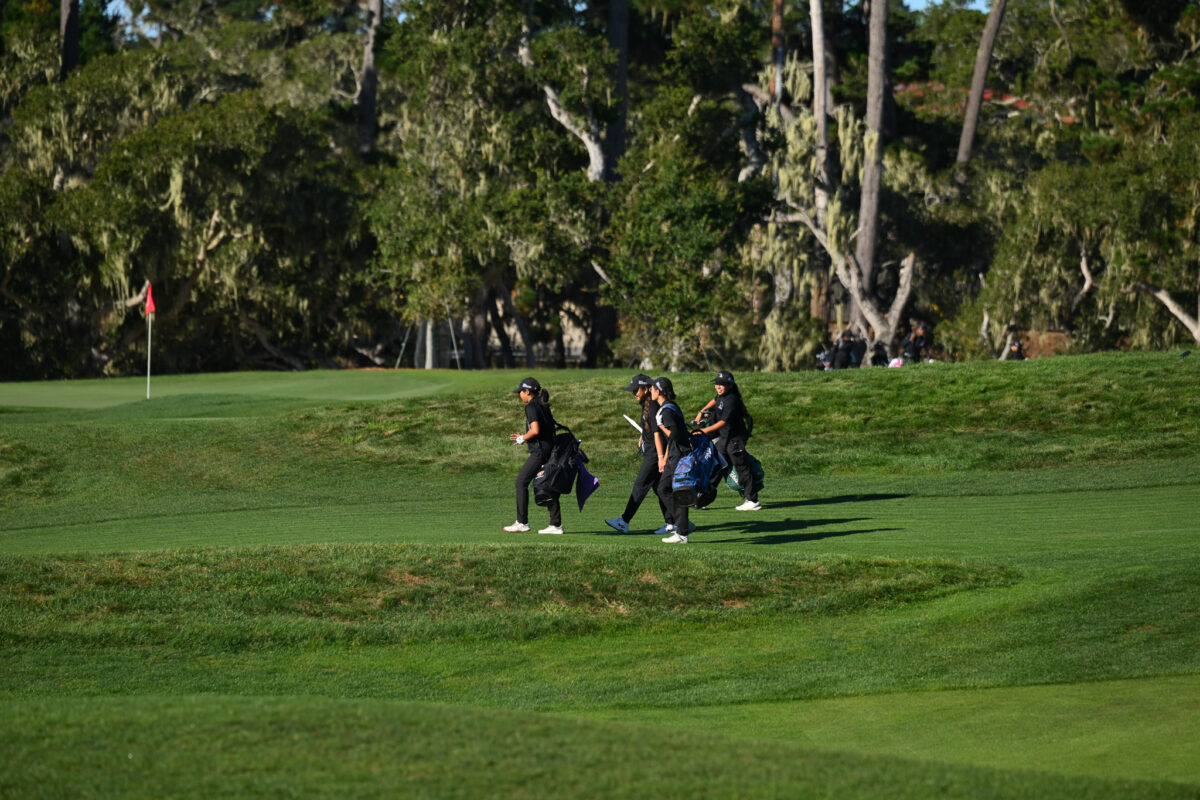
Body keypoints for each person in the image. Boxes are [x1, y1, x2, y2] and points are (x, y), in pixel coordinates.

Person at [605, 374, 673, 535]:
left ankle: (624, 521)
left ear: (646, 389)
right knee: (660, 489)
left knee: (640, 486)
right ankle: (674, 522)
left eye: (636, 390)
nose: (633, 393)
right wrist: (642, 436)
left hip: (655, 454)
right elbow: (649, 428)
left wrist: (660, 457)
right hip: (651, 452)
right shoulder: (646, 405)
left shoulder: (654, 407)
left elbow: (658, 434)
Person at [503, 377, 563, 535]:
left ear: (527, 391)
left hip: (540, 452)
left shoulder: (531, 406)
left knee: (521, 482)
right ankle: (556, 525)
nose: (520, 395)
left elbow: (535, 430)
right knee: (545, 484)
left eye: (521, 392)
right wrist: (525, 436)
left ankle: (522, 522)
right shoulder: (542, 404)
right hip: (549, 449)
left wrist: (523, 438)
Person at [694, 371, 761, 511]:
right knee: (717, 467)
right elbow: (715, 400)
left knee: (742, 467)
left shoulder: (732, 400)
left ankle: (753, 500)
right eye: (717, 384)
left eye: (722, 384)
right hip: (725, 438)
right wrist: (702, 411)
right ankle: (702, 499)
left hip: (735, 439)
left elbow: (723, 422)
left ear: (730, 385)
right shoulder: (721, 396)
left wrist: (704, 431)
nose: (718, 387)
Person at [650, 377, 695, 543]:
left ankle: (682, 532)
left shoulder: (666, 411)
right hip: (676, 455)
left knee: (672, 490)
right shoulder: (672, 406)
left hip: (679, 456)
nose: (650, 391)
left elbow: (675, 434)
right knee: (665, 488)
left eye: (653, 389)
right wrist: (665, 457)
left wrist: (661, 426)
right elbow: (673, 438)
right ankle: (683, 525)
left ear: (659, 391)